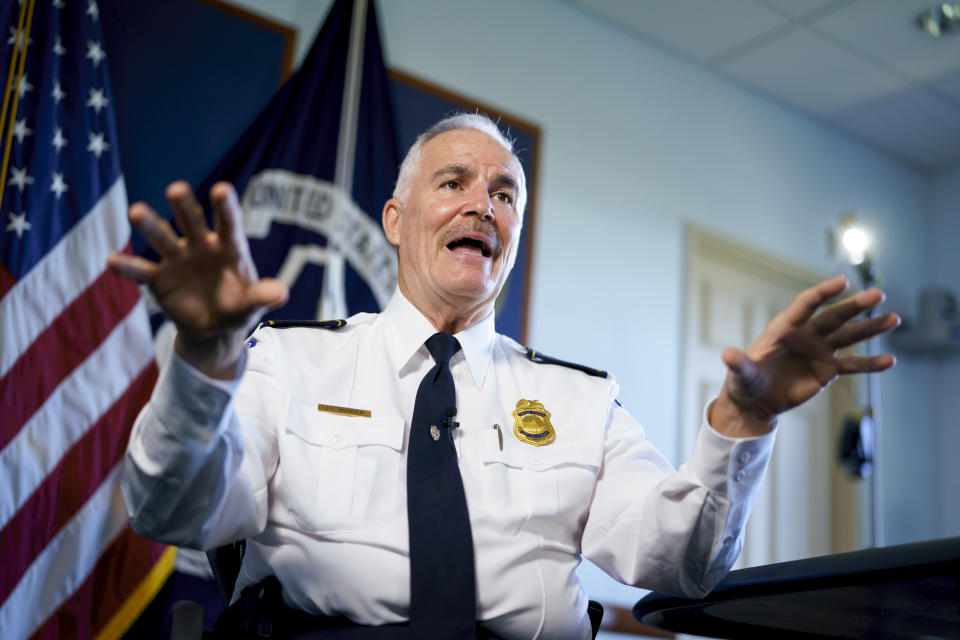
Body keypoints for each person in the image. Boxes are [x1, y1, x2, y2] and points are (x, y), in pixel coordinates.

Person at [108, 113, 899, 639]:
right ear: (395, 218)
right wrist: (205, 358)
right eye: (453, 183)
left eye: (504, 192)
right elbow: (171, 509)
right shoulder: (288, 360)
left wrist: (740, 420)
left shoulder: (581, 400)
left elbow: (679, 564)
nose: (482, 205)